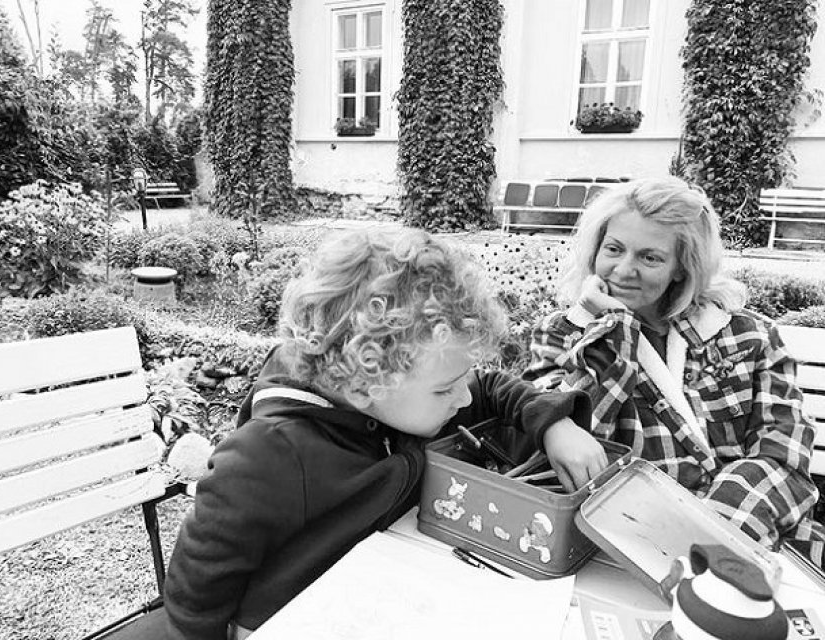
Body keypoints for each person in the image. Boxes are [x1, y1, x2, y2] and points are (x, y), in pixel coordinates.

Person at [161, 228, 593, 640]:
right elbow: (195, 592)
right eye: (446, 388)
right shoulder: (269, 456)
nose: (464, 397)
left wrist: (554, 425)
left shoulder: (403, 394)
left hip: (387, 594)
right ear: (365, 384)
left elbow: (490, 386)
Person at [523, 176, 824, 555]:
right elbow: (563, 457)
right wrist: (610, 331)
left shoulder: (749, 336)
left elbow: (783, 455)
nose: (623, 270)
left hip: (753, 537)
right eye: (614, 249)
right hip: (623, 544)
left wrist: (708, 536)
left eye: (650, 257)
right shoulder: (561, 334)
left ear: (682, 267)